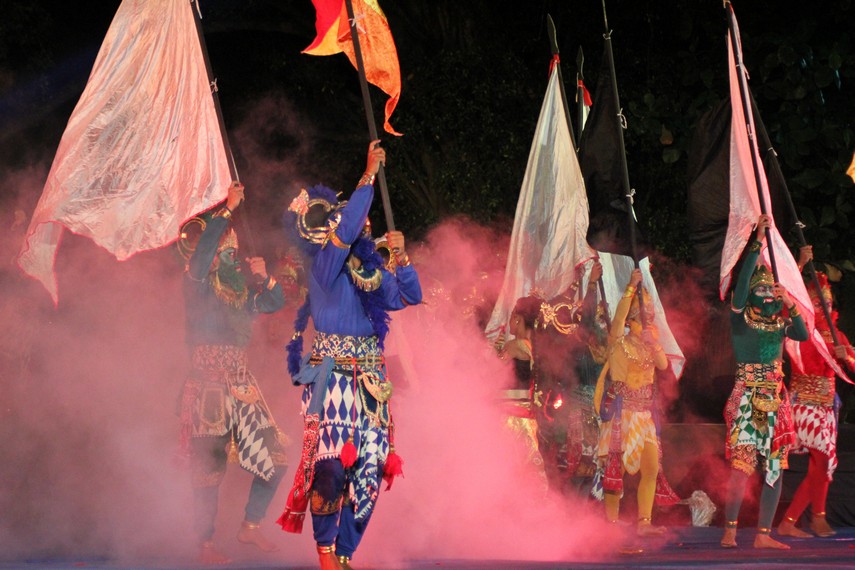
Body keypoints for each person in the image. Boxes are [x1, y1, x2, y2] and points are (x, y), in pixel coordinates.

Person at [277, 141, 422, 570]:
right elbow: (345, 230)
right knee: (332, 470)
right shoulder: (324, 265)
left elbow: (408, 297)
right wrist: (367, 176)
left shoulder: (369, 267)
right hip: (332, 378)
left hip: (372, 383)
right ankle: (325, 555)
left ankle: (344, 554)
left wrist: (400, 256)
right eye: (351, 219)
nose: (360, 224)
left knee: (371, 471)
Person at [178, 181, 288, 564]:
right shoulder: (197, 286)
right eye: (224, 251)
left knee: (276, 459)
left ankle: (250, 526)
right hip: (208, 389)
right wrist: (227, 209)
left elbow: (275, 301)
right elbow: (204, 249)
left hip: (242, 387)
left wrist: (265, 276)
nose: (230, 257)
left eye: (233, 252)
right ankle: (204, 544)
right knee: (208, 473)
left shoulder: (242, 295)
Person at [720, 214, 808, 549]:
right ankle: (730, 531)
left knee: (775, 465)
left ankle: (763, 536)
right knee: (742, 465)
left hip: (776, 399)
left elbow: (801, 332)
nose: (767, 294)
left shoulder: (780, 324)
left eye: (771, 289)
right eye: (762, 290)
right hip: (747, 398)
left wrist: (790, 303)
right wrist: (757, 240)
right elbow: (742, 287)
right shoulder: (740, 319)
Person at [593, 267, 676, 538]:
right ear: (632, 318)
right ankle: (612, 524)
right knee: (615, 472)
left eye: (649, 314)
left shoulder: (650, 345)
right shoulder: (619, 341)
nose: (647, 317)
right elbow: (616, 321)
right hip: (622, 414)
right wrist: (631, 287)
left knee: (651, 467)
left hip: (644, 416)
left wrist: (654, 344)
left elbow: (664, 366)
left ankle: (643, 522)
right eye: (643, 314)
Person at [778, 247, 854, 538]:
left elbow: (852, 362)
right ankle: (803, 520)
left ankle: (797, 521)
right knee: (822, 460)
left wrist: (844, 355)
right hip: (805, 403)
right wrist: (798, 264)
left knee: (823, 466)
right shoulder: (801, 328)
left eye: (827, 301)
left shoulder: (837, 335)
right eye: (816, 301)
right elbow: (785, 297)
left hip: (826, 406)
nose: (823, 306)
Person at [535, 260, 603, 495]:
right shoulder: (570, 345)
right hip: (576, 415)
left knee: (589, 467)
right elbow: (586, 323)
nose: (573, 317)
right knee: (579, 467)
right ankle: (571, 519)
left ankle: (579, 519)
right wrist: (591, 284)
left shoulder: (587, 345)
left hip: (592, 415)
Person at [496, 295, 547, 487]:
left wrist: (491, 351)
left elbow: (489, 373)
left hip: (510, 420)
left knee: (507, 470)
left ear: (517, 318)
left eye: (511, 317)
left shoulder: (514, 345)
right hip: (527, 418)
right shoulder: (532, 347)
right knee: (526, 471)